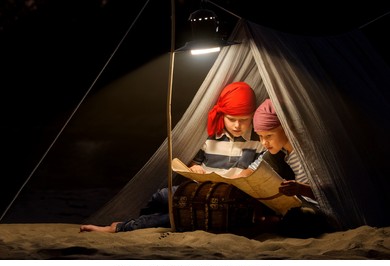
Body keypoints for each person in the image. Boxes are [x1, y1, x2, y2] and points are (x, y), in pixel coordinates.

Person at [79, 81, 266, 233]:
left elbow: (256, 172)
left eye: (243, 120)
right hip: (198, 189)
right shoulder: (210, 137)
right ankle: (136, 222)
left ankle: (119, 228)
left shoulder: (258, 141)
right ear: (221, 115)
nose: (236, 125)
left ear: (252, 116)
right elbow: (196, 162)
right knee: (160, 196)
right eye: (231, 119)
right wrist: (194, 168)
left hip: (225, 199)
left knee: (174, 216)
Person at [248, 98, 335, 237]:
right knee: (266, 161)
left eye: (269, 135)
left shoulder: (309, 152)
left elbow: (332, 195)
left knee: (298, 219)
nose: (264, 142)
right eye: (260, 136)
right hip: (300, 202)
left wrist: (301, 188)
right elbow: (251, 171)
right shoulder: (278, 152)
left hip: (322, 210)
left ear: (287, 128)